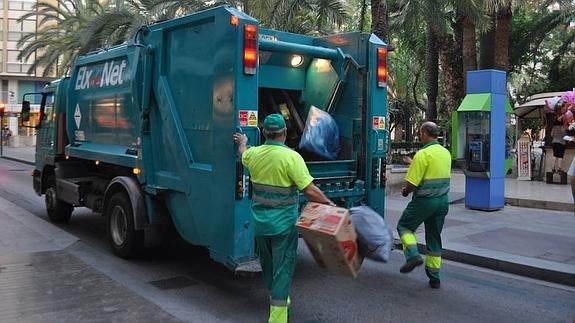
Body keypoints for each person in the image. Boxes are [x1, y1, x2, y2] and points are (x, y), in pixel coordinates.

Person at [233, 114, 334, 323]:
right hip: (284, 226)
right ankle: (277, 317)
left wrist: (242, 142)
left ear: (263, 133)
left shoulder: (254, 154)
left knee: (268, 266)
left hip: (260, 224)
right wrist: (329, 204)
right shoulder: (292, 158)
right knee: (283, 270)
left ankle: (278, 297)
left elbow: (242, 153)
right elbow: (310, 190)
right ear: (285, 133)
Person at [397, 121, 451, 289]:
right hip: (442, 202)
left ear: (426, 134)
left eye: (420, 133)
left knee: (404, 227)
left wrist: (405, 191)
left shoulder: (422, 154)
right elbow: (432, 170)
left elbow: (412, 183)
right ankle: (434, 278)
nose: (419, 136)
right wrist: (411, 162)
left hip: (424, 202)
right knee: (434, 238)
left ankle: (413, 255)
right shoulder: (445, 153)